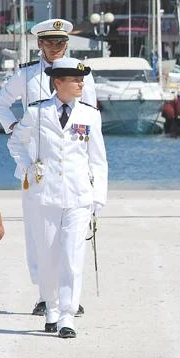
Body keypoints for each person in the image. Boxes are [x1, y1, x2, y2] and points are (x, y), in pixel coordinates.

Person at [0, 18, 97, 316]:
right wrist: (14, 128)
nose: (56, 47)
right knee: (39, 235)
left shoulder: (80, 74)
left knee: (71, 237)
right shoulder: (26, 76)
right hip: (34, 166)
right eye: (50, 42)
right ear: (39, 44)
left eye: (61, 42)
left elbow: (90, 119)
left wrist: (89, 165)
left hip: (71, 166)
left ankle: (68, 298)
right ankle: (44, 295)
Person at [7, 58, 106, 339]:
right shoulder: (38, 112)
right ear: (58, 82)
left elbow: (98, 160)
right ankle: (50, 307)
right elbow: (15, 141)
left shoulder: (90, 115)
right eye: (75, 80)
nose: (80, 84)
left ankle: (67, 315)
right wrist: (28, 164)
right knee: (48, 255)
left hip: (78, 196)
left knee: (73, 256)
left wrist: (97, 197)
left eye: (82, 80)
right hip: (45, 194)